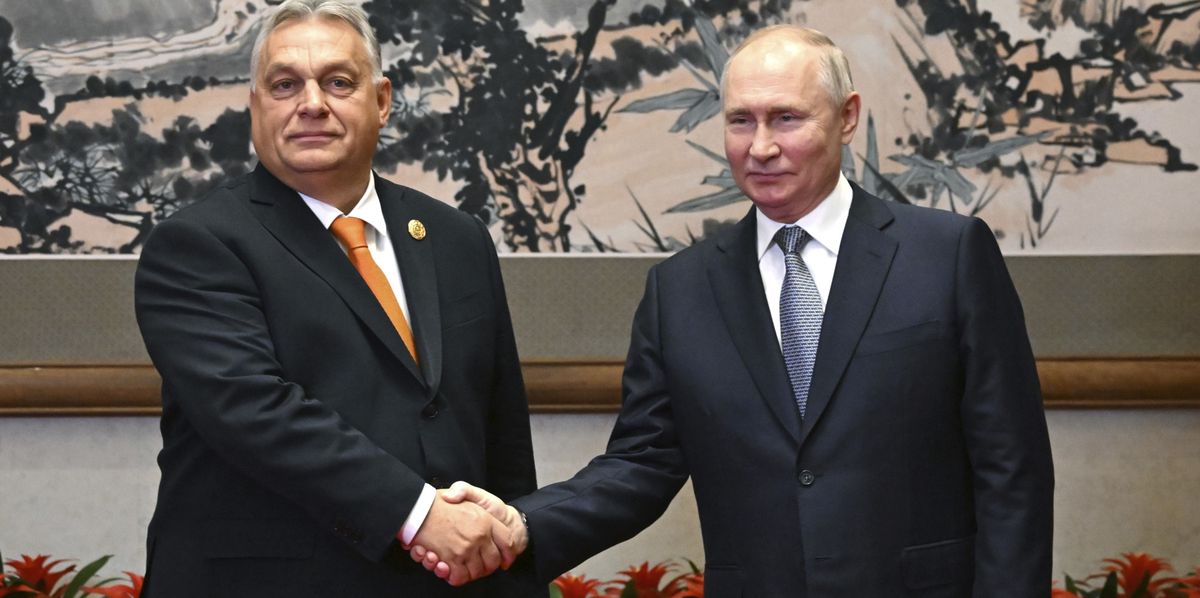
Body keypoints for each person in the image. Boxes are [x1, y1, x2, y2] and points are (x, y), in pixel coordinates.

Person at [417, 25, 1055, 596]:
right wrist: (524, 523)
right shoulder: (682, 290)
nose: (761, 147)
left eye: (786, 118)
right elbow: (641, 463)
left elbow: (1013, 470)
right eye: (740, 121)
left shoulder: (946, 255)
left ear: (847, 116)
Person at [133, 1, 544, 596]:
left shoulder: (457, 238)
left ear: (381, 100)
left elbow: (501, 432)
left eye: (338, 82)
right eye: (284, 84)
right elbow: (256, 412)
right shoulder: (197, 245)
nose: (311, 104)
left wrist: (515, 568)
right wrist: (420, 513)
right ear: (255, 105)